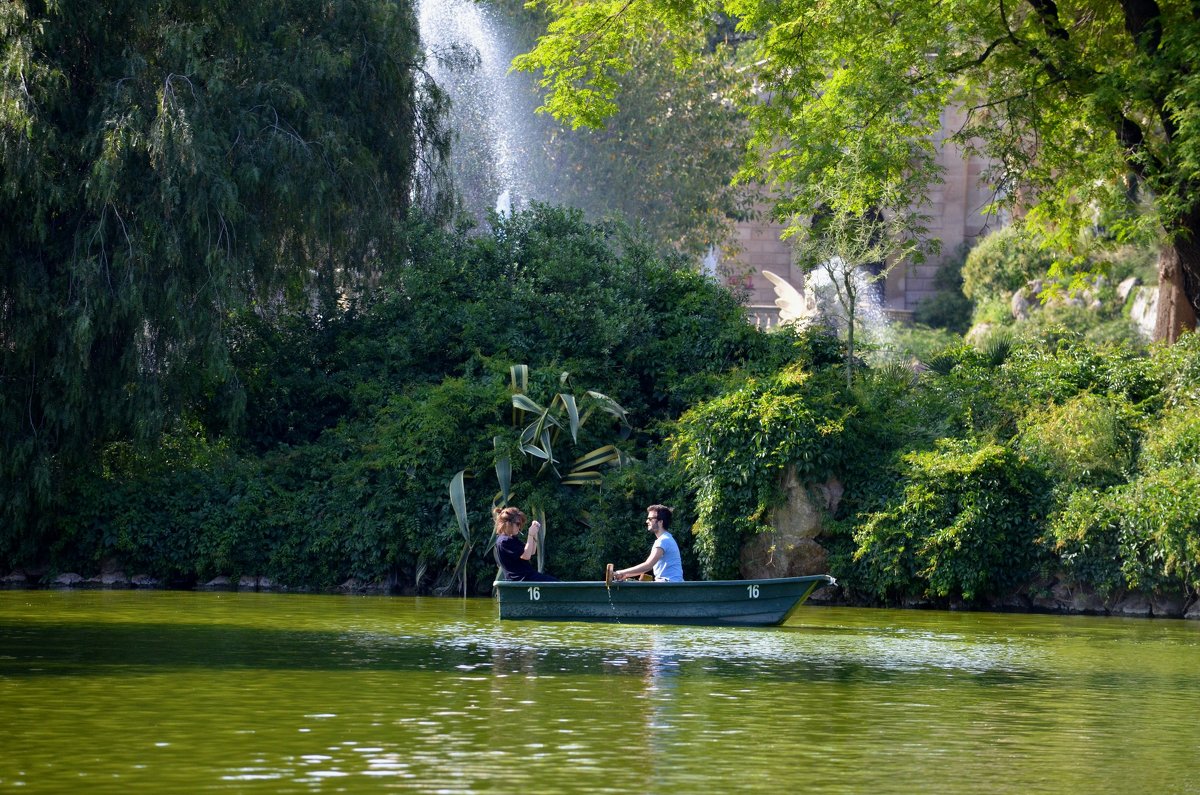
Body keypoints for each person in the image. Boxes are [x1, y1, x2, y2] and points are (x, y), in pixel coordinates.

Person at [613, 504, 684, 582]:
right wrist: (626, 575)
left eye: (650, 519)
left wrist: (621, 572)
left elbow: (648, 565)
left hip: (668, 587)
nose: (647, 521)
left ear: (660, 522)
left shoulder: (663, 541)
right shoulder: (667, 538)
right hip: (671, 586)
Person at [493, 506, 558, 582]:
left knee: (556, 582)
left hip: (527, 576)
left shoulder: (512, 539)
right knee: (556, 583)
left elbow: (531, 552)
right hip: (521, 579)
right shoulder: (504, 541)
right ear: (508, 523)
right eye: (517, 524)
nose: (519, 527)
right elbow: (526, 556)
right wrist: (530, 535)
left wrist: (533, 535)